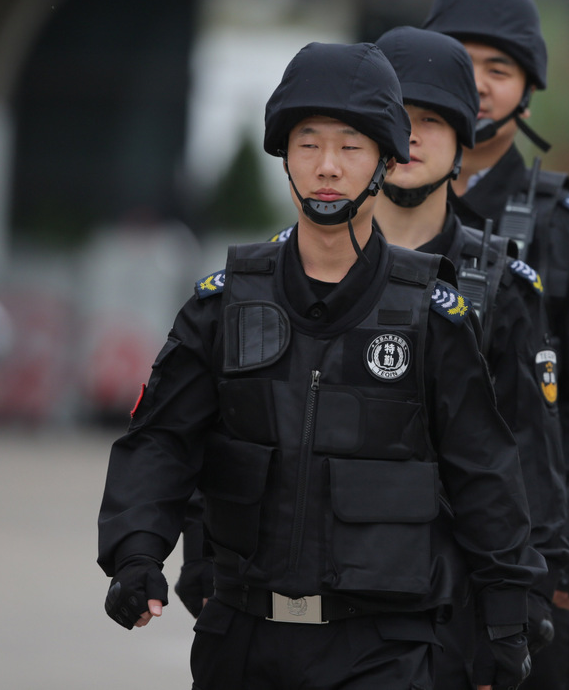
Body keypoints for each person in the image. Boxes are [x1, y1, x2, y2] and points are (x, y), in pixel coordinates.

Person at [97, 41, 539, 690]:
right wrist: (137, 551)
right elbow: (161, 440)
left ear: (387, 160)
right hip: (243, 639)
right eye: (308, 144)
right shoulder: (222, 305)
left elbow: (485, 474)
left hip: (386, 649)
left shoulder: (432, 317)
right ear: (284, 154)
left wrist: (505, 619)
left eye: (351, 146)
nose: (327, 166)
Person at [425, 0, 569, 690]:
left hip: (521, 575)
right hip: (382, 564)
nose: (480, 86)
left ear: (529, 89)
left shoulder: (567, 231)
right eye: (462, 61)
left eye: (501, 68)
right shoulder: (370, 213)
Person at [372, 25, 569, 688]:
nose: (411, 136)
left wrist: (520, 614)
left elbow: (526, 470)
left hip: (444, 620)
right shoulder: (295, 271)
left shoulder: (503, 290)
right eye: (396, 117)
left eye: (433, 120)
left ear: (463, 142)